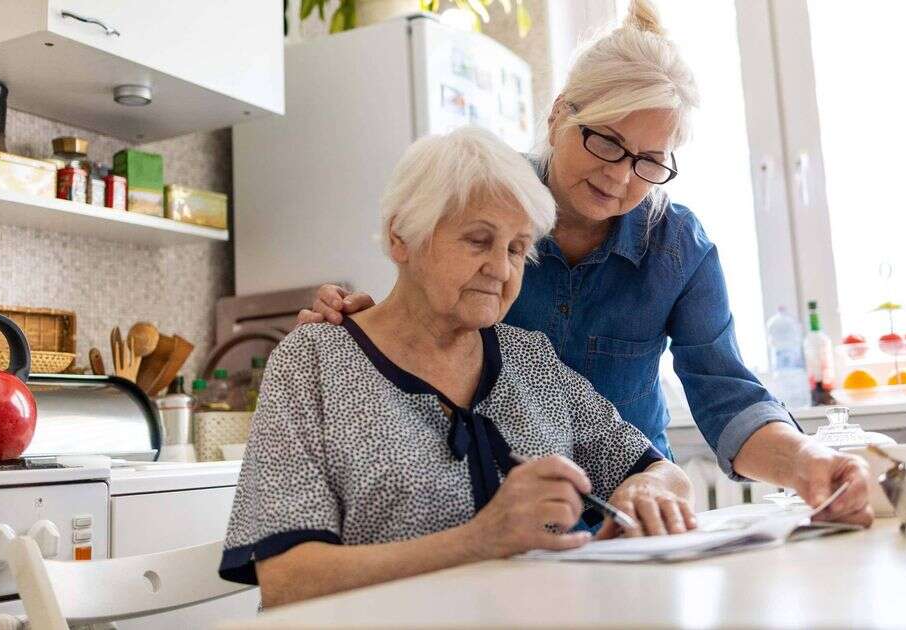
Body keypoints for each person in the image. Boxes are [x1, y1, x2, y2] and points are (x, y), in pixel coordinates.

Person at [298, 0, 872, 526]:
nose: (620, 177)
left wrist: (807, 463)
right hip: (497, 526)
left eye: (649, 160)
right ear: (557, 117)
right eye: (606, 141)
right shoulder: (489, 204)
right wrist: (357, 329)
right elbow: (419, 324)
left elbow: (728, 396)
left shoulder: (677, 247)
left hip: (632, 517)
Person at [220, 126, 695, 608]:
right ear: (401, 236)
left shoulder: (531, 359)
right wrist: (480, 539)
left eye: (516, 247)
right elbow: (286, 579)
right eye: (478, 240)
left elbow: (658, 468)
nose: (502, 269)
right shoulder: (312, 361)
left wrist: (648, 493)